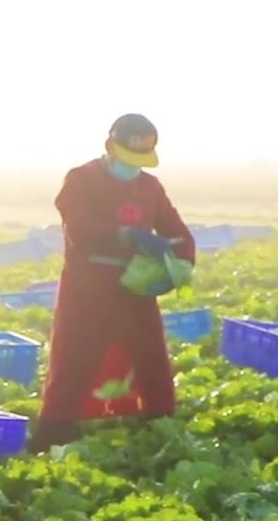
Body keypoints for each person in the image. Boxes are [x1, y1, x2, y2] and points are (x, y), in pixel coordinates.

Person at [28, 113, 198, 452]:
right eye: (129, 158)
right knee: (76, 352)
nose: (134, 167)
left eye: (141, 159)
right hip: (88, 286)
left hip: (134, 289)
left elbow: (176, 231)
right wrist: (128, 235)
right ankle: (55, 427)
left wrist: (179, 261)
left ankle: (157, 419)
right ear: (110, 147)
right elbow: (80, 232)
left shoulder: (150, 187)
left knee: (149, 352)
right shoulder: (81, 180)